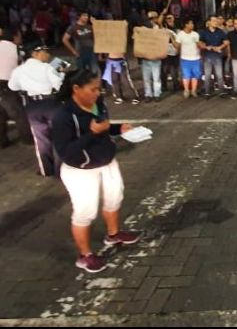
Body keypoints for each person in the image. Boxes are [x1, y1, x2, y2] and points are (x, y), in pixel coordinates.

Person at [52, 69, 140, 273]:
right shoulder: (63, 116)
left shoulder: (97, 104)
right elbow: (66, 152)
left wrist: (119, 129)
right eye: (93, 89)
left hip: (107, 162)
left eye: (99, 89)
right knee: (85, 212)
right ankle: (85, 255)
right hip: (80, 171)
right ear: (76, 89)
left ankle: (113, 234)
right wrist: (92, 133)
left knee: (114, 199)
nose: (97, 93)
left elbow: (104, 127)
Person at [8, 45, 64, 176]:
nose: (47, 55)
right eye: (45, 52)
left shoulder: (19, 70)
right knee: (58, 135)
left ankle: (46, 169)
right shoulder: (47, 67)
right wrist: (60, 71)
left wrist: (26, 86)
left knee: (40, 138)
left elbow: (12, 86)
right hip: (50, 103)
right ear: (35, 53)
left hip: (32, 104)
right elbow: (58, 84)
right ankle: (59, 169)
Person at [0, 28, 32, 148]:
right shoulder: (18, 49)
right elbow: (24, 68)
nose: (20, 38)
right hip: (6, 85)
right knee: (19, 113)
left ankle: (2, 142)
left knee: (1, 114)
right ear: (14, 37)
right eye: (19, 36)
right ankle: (28, 139)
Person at [199, 15, 229, 98]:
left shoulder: (220, 31)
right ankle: (207, 92)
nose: (216, 22)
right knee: (207, 75)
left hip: (217, 56)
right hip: (207, 56)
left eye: (216, 21)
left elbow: (226, 42)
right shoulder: (203, 32)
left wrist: (220, 47)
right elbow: (200, 43)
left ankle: (221, 92)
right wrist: (206, 47)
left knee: (219, 75)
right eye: (213, 21)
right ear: (209, 22)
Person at [138, 12, 164, 103]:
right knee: (147, 79)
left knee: (156, 78)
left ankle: (157, 94)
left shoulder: (158, 29)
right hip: (146, 58)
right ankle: (148, 94)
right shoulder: (142, 29)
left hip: (155, 58)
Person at [173, 19, 201, 99]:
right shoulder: (180, 34)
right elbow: (177, 46)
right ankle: (186, 90)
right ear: (186, 25)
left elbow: (199, 45)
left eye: (192, 23)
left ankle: (193, 90)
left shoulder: (195, 34)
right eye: (190, 23)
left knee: (195, 75)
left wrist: (199, 44)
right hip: (185, 58)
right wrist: (173, 40)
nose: (192, 25)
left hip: (196, 58)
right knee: (186, 75)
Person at [160, 12, 180, 93]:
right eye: (168, 18)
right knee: (165, 70)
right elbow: (159, 22)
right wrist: (163, 13)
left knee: (174, 70)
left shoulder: (177, 28)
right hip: (166, 52)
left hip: (175, 52)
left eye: (171, 18)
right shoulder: (164, 29)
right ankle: (164, 86)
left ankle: (176, 86)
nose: (170, 20)